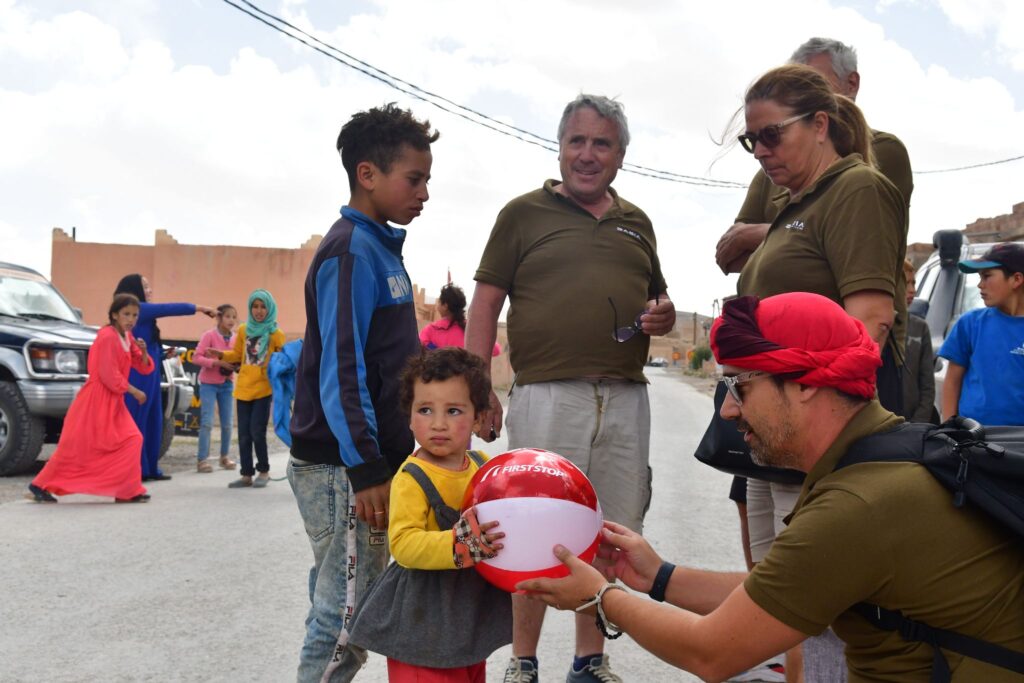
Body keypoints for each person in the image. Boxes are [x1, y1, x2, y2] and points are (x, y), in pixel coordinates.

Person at [518, 292, 1024, 683]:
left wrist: (599, 596)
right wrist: (657, 576)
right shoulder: (884, 453)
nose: (727, 410)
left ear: (805, 382)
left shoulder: (858, 505)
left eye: (741, 386)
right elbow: (784, 592)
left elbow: (710, 652)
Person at [466, 94, 676, 683]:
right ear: (559, 148)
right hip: (547, 396)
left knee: (609, 534)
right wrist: (479, 387)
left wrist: (662, 313)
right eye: (576, 142)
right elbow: (486, 302)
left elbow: (658, 298)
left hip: (626, 398)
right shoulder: (521, 215)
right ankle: (523, 661)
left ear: (621, 154)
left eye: (601, 143)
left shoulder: (638, 223)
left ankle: (589, 660)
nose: (588, 155)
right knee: (532, 527)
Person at [723, 63, 908, 683]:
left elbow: (869, 320)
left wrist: (816, 429)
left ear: (820, 124)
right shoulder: (799, 200)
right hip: (773, 426)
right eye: (752, 142)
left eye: (772, 136)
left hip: (812, 433)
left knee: (817, 610)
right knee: (780, 600)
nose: (761, 153)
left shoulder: (857, 189)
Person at [287, 103, 437, 683]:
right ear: (368, 174)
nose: (424, 193)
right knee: (347, 617)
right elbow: (341, 372)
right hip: (343, 469)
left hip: (363, 465)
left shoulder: (379, 248)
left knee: (342, 598)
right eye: (414, 179)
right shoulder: (350, 251)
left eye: (427, 180)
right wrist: (368, 468)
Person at [345, 347, 512, 681]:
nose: (438, 424)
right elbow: (404, 545)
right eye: (424, 410)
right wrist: (457, 544)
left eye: (453, 410)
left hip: (466, 614)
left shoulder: (481, 466)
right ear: (409, 417)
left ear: (478, 418)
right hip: (422, 619)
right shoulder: (411, 477)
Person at [27, 294, 154, 504]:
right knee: (78, 447)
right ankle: (39, 484)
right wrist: (133, 391)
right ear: (114, 315)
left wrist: (143, 352)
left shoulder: (127, 337)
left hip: (113, 401)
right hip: (96, 401)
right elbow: (108, 374)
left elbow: (141, 366)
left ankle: (127, 489)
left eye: (135, 315)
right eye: (126, 314)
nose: (131, 319)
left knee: (132, 440)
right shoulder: (107, 336)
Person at [113, 274, 214, 481]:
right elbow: (168, 309)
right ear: (134, 289)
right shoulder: (138, 308)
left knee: (154, 420)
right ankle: (137, 469)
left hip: (151, 372)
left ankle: (150, 468)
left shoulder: (142, 315)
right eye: (145, 286)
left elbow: (147, 347)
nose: (149, 291)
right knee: (138, 421)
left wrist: (161, 354)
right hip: (137, 375)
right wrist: (199, 308)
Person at [205, 290, 285, 488]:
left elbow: (282, 361)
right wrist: (221, 355)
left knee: (257, 432)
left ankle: (264, 471)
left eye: (263, 306)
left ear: (270, 308)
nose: (259, 311)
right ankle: (246, 474)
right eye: (255, 306)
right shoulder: (243, 330)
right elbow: (237, 354)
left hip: (263, 389)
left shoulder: (276, 334)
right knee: (243, 434)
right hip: (243, 389)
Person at [938, 242, 1024, 425]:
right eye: (979, 277)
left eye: (987, 276)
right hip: (977, 438)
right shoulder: (970, 324)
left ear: (1016, 279)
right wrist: (949, 426)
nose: (980, 285)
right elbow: (952, 382)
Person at [192, 304, 240, 473]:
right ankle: (202, 459)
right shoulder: (209, 336)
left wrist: (235, 365)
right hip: (209, 384)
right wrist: (216, 362)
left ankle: (224, 457)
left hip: (227, 384)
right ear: (219, 318)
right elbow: (195, 357)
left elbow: (238, 357)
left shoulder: (236, 338)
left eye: (234, 317)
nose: (231, 320)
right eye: (227, 316)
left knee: (227, 423)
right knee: (207, 422)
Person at [901, 260, 938, 423]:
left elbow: (927, 385)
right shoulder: (875, 327)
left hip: (914, 423)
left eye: (913, 283)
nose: (912, 291)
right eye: (905, 283)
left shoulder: (920, 327)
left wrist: (918, 424)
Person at [420, 283, 500, 357]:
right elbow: (496, 350)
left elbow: (421, 344)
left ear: (445, 306)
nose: (437, 306)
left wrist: (439, 351)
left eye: (439, 302)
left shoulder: (431, 330)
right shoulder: (472, 329)